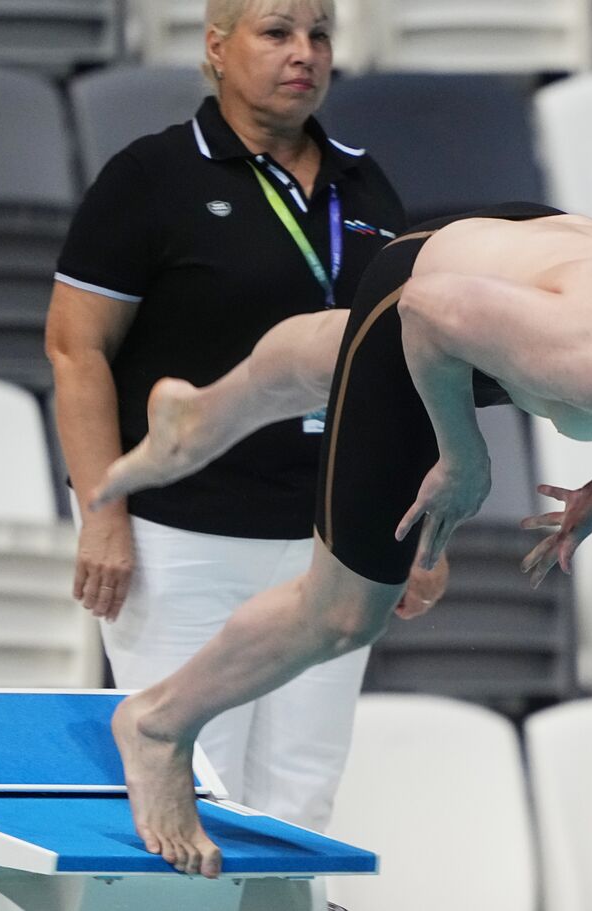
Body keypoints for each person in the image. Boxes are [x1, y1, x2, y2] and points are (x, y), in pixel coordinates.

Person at [90, 206, 592, 877]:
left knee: (338, 355)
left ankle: (195, 417)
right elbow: (426, 309)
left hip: (526, 264)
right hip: (432, 295)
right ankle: (159, 723)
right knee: (344, 613)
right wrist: (461, 457)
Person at [43, 0, 438, 835]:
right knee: (194, 792)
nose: (304, 52)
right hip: (185, 542)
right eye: (277, 32)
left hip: (335, 541)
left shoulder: (366, 183)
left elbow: (404, 366)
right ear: (217, 49)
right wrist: (102, 511)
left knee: (302, 800)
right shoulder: (150, 178)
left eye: (319, 34)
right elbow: (77, 353)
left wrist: (419, 530)